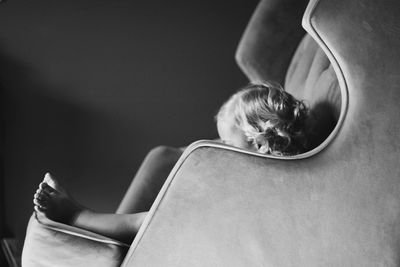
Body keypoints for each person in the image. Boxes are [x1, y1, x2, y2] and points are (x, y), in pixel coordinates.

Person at [33, 82, 316, 244]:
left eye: (227, 144)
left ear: (261, 142)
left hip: (219, 228)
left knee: (152, 221)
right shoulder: (266, 161)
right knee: (164, 158)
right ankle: (106, 238)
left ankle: (76, 217)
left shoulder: (273, 181)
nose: (221, 149)